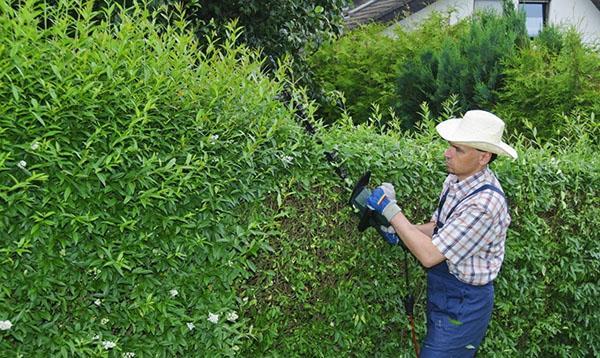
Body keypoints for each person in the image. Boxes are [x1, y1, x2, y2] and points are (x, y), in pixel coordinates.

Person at [366, 110, 518, 357]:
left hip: (465, 303)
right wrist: (403, 231)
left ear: (483, 158)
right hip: (443, 289)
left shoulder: (485, 204)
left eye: (458, 149)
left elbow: (430, 255)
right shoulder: (455, 180)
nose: (447, 153)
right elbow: (440, 228)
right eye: (450, 146)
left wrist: (391, 211)